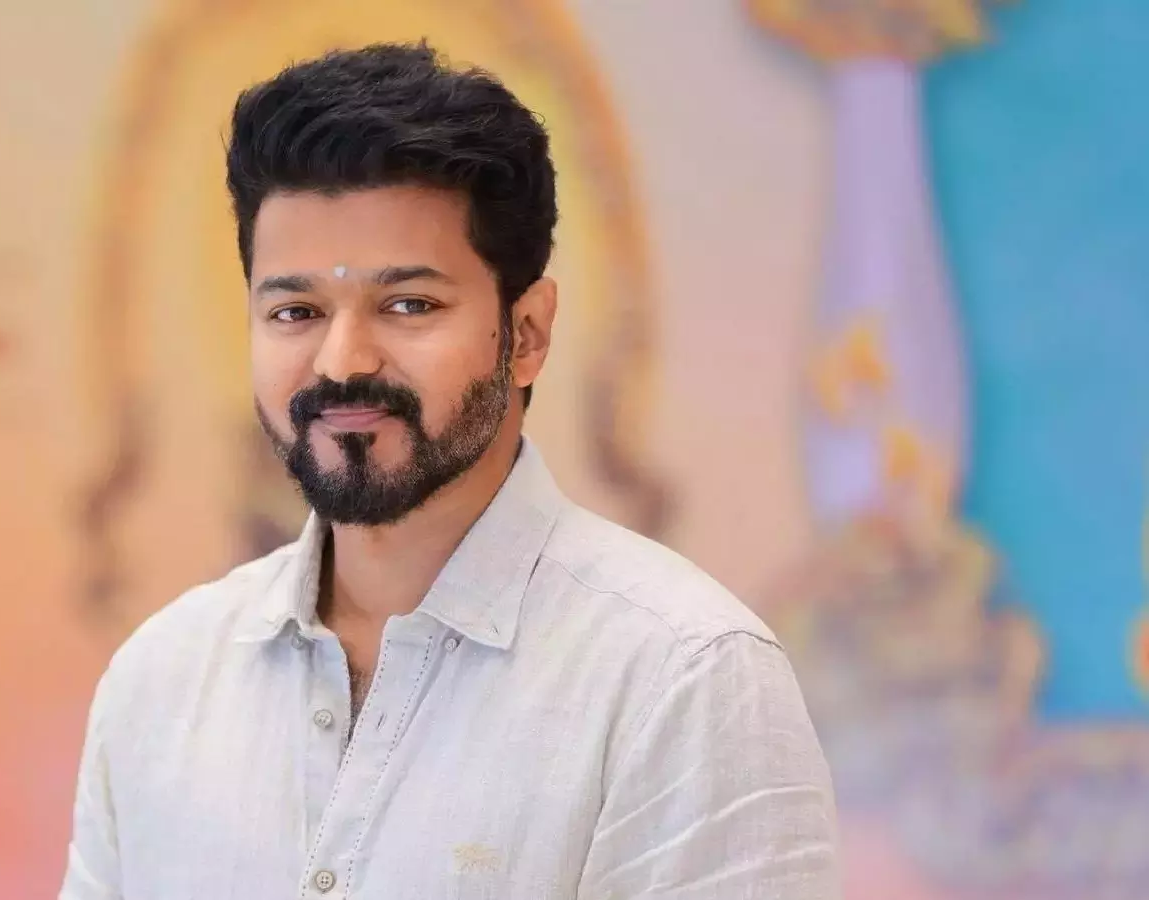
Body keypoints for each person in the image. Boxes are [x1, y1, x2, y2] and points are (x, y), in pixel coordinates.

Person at [60, 42, 838, 900]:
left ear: (527, 334)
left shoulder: (682, 678)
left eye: (408, 305)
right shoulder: (162, 682)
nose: (341, 361)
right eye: (296, 311)